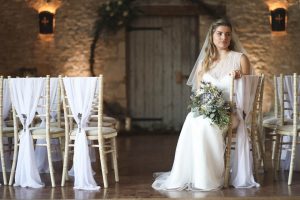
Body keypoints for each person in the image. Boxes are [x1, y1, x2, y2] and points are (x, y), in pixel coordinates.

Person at [152, 18, 258, 191]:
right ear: (212, 36)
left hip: (233, 112)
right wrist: (205, 107)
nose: (224, 37)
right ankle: (198, 176)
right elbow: (199, 93)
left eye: (227, 34)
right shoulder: (204, 63)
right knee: (192, 121)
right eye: (220, 33)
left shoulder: (240, 59)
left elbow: (247, 94)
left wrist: (239, 79)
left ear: (231, 37)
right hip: (209, 109)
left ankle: (210, 178)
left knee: (205, 125)